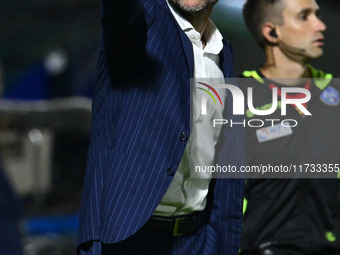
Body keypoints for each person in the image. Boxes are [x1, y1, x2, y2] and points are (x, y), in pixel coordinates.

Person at [77, 0, 245, 254]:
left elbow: (224, 169)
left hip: (197, 241)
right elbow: (120, 10)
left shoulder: (223, 54)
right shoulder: (144, 20)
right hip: (128, 239)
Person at [240, 0, 340, 254]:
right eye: (304, 16)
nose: (320, 25)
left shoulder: (334, 96)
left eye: (317, 14)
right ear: (272, 32)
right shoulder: (237, 101)